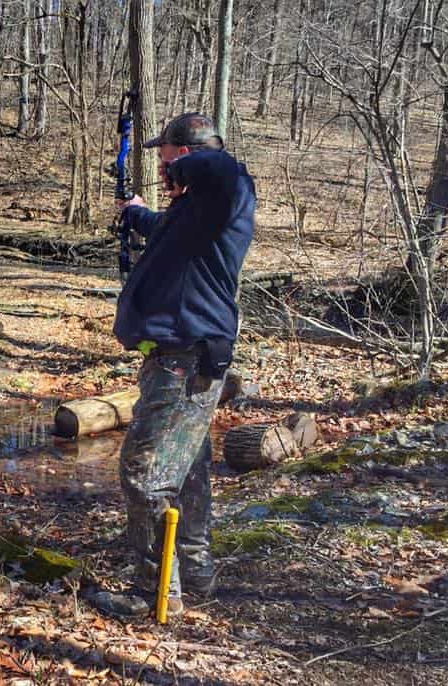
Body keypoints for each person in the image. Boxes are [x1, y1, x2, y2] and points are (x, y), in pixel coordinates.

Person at [92, 112, 256, 617]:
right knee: (185, 470)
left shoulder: (225, 188)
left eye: (165, 161)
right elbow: (165, 230)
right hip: (178, 354)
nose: (163, 173)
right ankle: (194, 574)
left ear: (185, 156)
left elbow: (225, 168)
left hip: (188, 356)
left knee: (144, 474)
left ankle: (154, 595)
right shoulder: (195, 213)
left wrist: (185, 163)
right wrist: (136, 212)